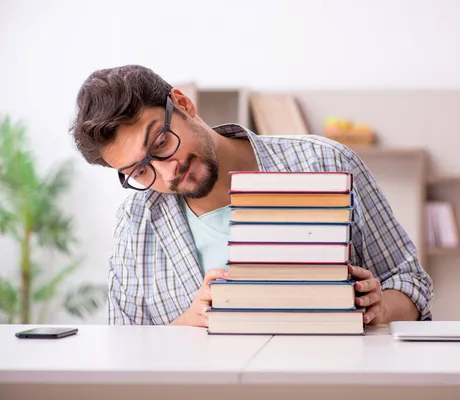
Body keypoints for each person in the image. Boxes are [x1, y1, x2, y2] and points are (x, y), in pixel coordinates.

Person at [70, 65, 433, 326]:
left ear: (182, 104)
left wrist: (380, 306)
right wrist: (191, 323)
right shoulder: (137, 220)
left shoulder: (325, 162)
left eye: (161, 142)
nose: (167, 172)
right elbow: (125, 347)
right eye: (140, 171)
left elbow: (412, 283)